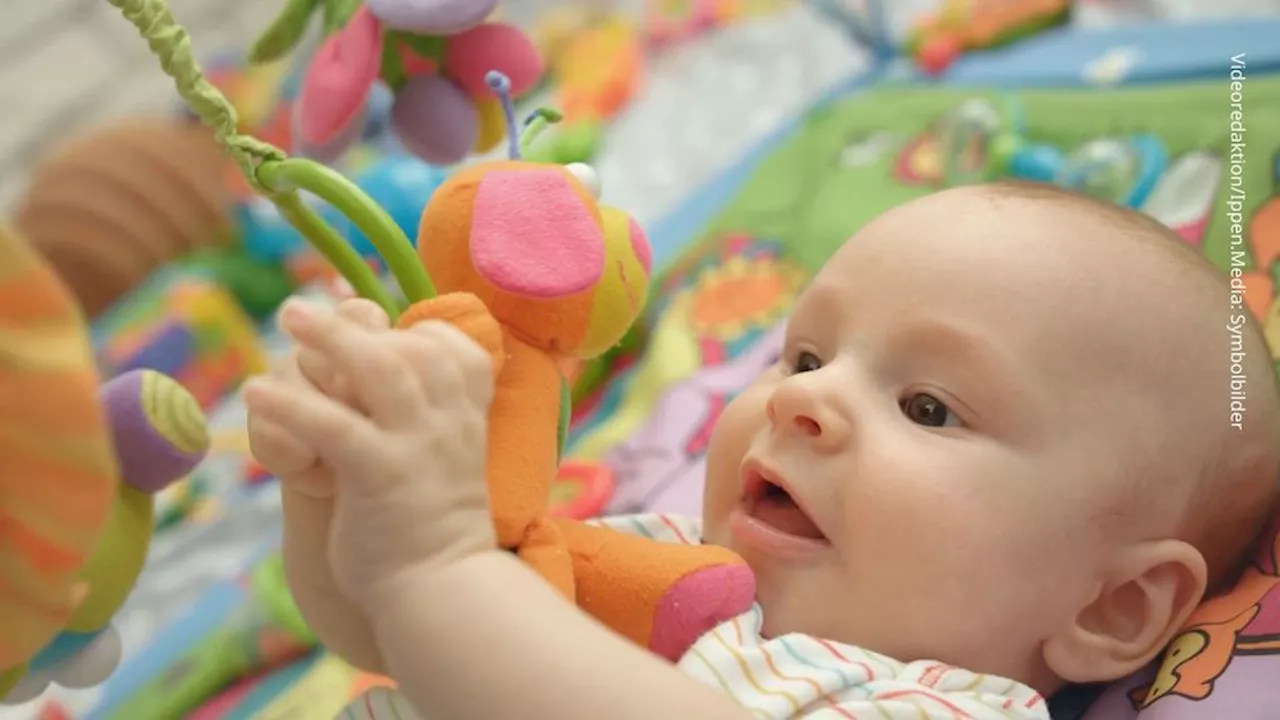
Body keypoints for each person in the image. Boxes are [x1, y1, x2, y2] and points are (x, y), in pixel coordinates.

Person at [245, 182, 1280, 719]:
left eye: (925, 406)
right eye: (802, 354)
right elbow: (389, 632)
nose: (808, 400)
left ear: (1108, 607)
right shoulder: (660, 557)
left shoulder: (933, 707)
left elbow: (465, 628)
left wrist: (434, 562)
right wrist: (342, 496)